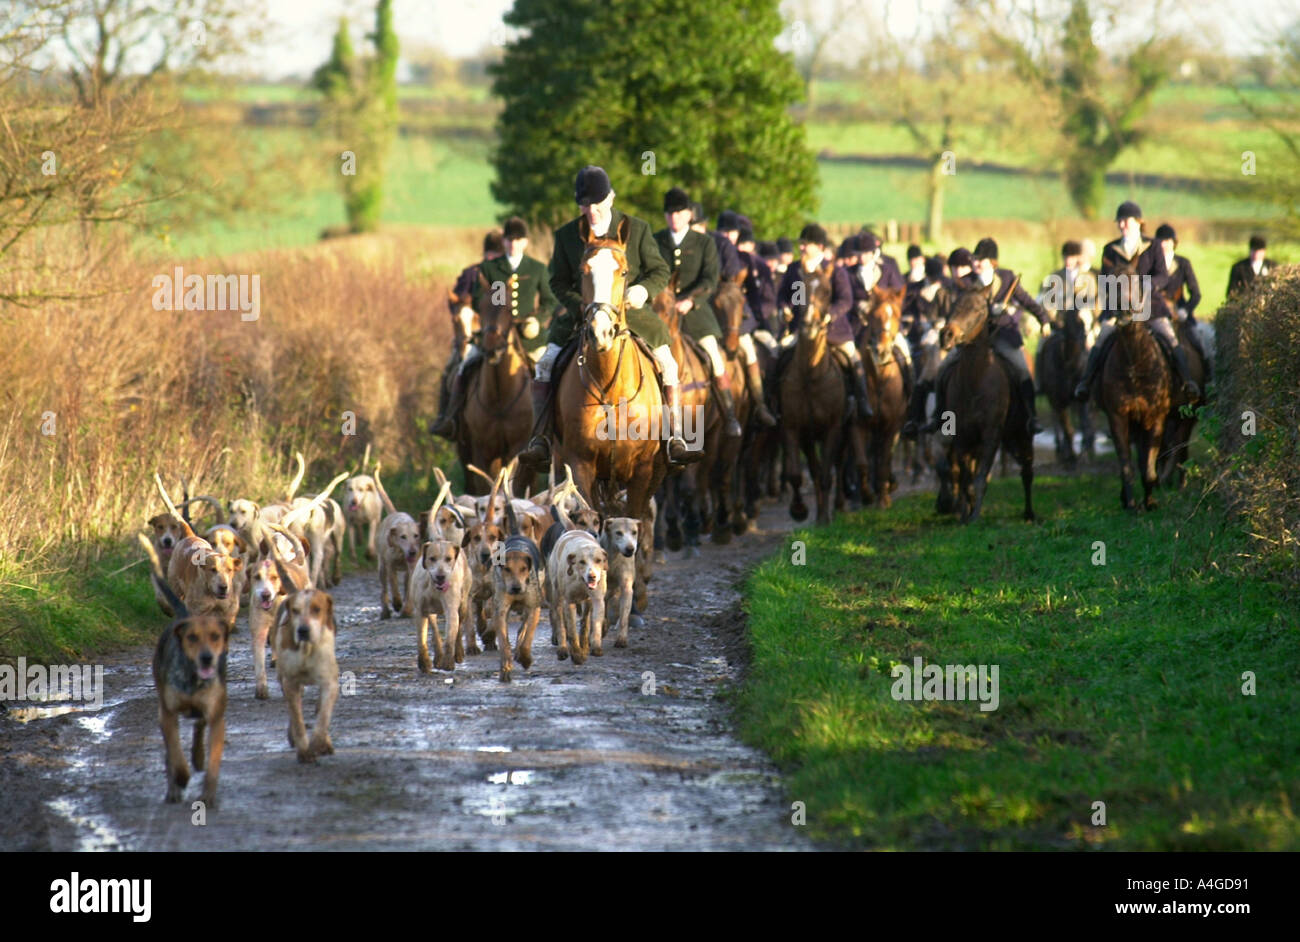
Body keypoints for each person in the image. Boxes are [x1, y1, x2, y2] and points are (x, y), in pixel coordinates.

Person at [518, 165, 700, 468]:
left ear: (611, 199)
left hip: (631, 314)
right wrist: (580, 304)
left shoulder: (637, 229)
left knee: (668, 363)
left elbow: (659, 271)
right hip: (581, 316)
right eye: (584, 205)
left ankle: (676, 437)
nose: (591, 211)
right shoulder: (566, 236)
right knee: (545, 364)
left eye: (597, 204)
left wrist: (642, 291)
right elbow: (557, 281)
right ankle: (541, 439)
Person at [432, 219, 560, 438]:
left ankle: (552, 429)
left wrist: (537, 320)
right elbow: (481, 300)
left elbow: (550, 301)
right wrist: (498, 318)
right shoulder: (490, 269)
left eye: (518, 240)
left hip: (529, 338)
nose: (513, 244)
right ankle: (450, 419)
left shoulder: (537, 269)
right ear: (504, 241)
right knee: (463, 367)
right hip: (494, 337)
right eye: (509, 240)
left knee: (550, 372)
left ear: (525, 242)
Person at [1074, 201, 1198, 401]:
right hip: (1119, 310)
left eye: (1126, 221)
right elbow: (1105, 281)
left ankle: (1186, 382)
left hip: (1151, 307)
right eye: (1119, 222)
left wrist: (1143, 286)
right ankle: (1086, 384)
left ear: (1138, 222)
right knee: (1102, 339)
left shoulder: (1154, 245)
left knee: (1169, 337)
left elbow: (1162, 276)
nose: (1122, 225)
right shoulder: (1111, 249)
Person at [936, 237, 1051, 435]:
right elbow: (957, 311)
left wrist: (1044, 320)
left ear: (993, 263)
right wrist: (990, 310)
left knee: (1023, 372)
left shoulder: (1007, 279)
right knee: (944, 371)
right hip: (972, 341)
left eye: (980, 260)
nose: (975, 263)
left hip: (1003, 336)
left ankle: (1031, 418)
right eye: (974, 259)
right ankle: (943, 423)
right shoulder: (965, 282)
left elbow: (1028, 302)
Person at [654, 186, 742, 437]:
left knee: (714, 356)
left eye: (679, 213)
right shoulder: (655, 241)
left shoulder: (704, 243)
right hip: (660, 314)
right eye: (669, 213)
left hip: (696, 315)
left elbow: (710, 280)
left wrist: (691, 301)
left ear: (689, 214)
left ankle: (730, 415)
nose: (674, 217)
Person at [777, 224, 874, 419]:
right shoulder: (795, 269)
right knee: (778, 357)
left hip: (833, 330)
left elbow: (845, 299)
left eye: (806, 244)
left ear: (820, 247)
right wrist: (785, 308)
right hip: (801, 330)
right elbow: (784, 296)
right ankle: (774, 403)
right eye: (801, 244)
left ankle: (861, 401)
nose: (802, 248)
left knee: (854, 359)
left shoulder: (834, 271)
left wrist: (830, 314)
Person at [433, 230, 504, 430]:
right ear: (487, 255)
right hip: (472, 335)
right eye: (494, 256)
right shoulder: (472, 273)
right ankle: (447, 418)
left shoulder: (509, 274)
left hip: (504, 335)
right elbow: (457, 304)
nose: (496, 261)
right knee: (450, 370)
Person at [1226, 234, 1275, 299]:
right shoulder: (1238, 267)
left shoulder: (1272, 266)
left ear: (1264, 251)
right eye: (1254, 250)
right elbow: (1231, 291)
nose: (1256, 254)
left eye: (1259, 251)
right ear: (1250, 250)